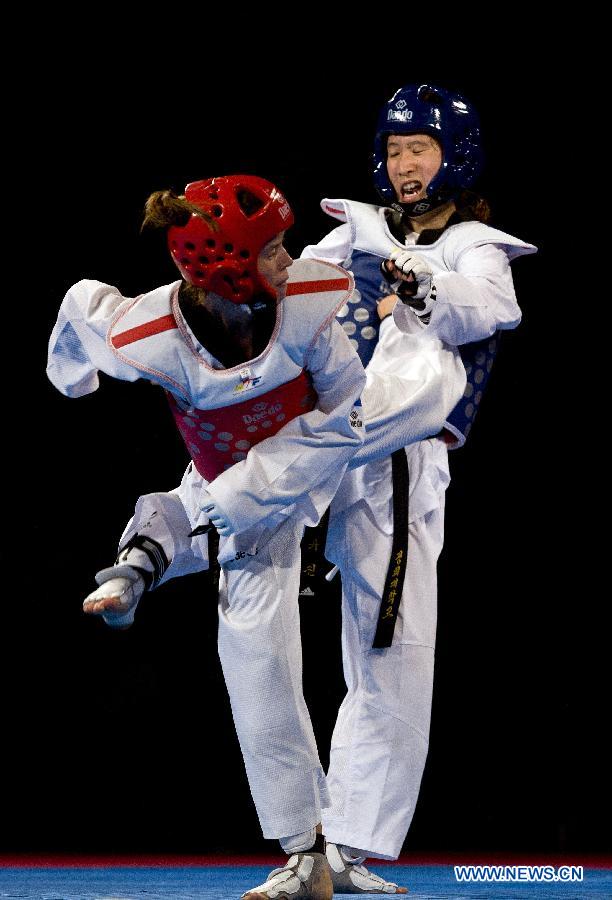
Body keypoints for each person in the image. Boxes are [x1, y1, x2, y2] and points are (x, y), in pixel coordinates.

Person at [49, 170, 467, 898]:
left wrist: (227, 500)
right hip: (242, 484)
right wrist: (72, 376)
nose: (291, 255)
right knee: (252, 648)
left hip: (331, 445)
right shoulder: (143, 334)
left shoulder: (308, 298)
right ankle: (304, 851)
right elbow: (81, 310)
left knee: (422, 398)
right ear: (224, 264)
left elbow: (345, 418)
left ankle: (154, 546)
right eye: (273, 248)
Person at [298, 82, 537, 894]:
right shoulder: (355, 233)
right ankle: (325, 840)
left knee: (386, 652)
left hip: (398, 459)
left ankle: (343, 845)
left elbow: (490, 310)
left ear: (451, 157)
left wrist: (419, 284)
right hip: (328, 440)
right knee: (354, 647)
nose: (403, 166)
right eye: (395, 150)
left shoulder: (472, 244)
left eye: (419, 150)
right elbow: (296, 294)